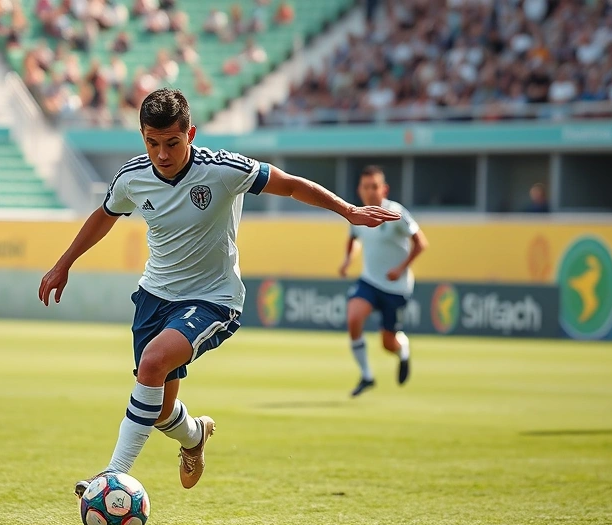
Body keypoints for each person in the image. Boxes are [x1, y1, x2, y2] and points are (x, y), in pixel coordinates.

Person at [37, 88, 399, 497]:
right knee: (157, 410)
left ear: (190, 133)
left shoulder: (223, 169)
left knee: (153, 363)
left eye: (172, 142)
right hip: (154, 296)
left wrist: (348, 211)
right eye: (151, 143)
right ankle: (194, 436)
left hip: (213, 299)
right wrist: (63, 263)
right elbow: (105, 216)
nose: (162, 154)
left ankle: (110, 475)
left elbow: (291, 185)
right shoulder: (132, 177)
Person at [340, 166, 427, 396]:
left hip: (396, 287)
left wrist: (400, 269)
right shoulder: (357, 215)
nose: (370, 191)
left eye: (374, 186)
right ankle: (367, 375)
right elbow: (354, 239)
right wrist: (348, 261)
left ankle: (403, 350)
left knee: (388, 343)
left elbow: (421, 243)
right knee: (353, 318)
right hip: (370, 281)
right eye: (365, 187)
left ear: (384, 189)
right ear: (360, 189)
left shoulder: (396, 213)